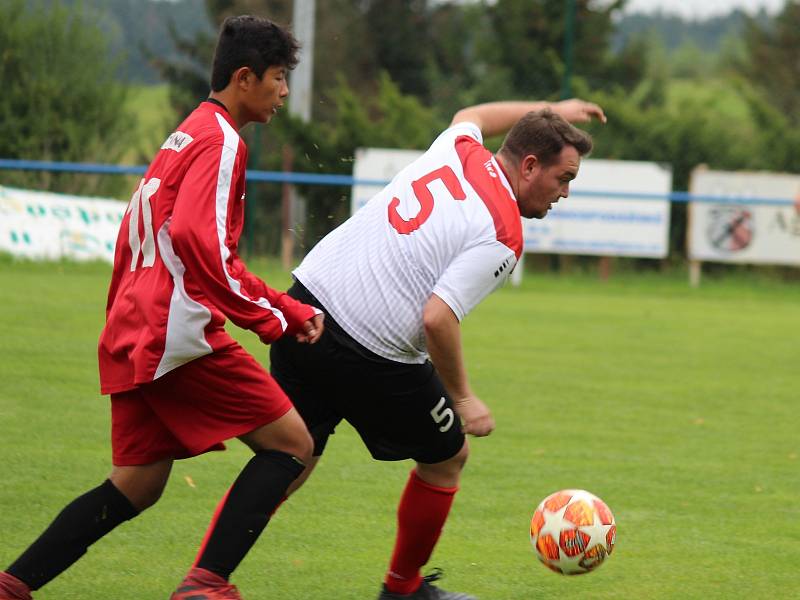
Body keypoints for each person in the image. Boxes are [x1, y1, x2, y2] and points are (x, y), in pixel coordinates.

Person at [0, 15, 323, 600]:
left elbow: (151, 242)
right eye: (278, 77)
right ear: (244, 77)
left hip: (136, 328)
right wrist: (272, 319)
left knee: (137, 484)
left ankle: (11, 586)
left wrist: (280, 305)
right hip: (175, 334)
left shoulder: (188, 132)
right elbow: (203, 244)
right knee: (293, 446)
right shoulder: (223, 141)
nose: (282, 91)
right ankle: (205, 586)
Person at [264, 99, 603, 599]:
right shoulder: (504, 233)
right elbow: (437, 318)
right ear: (530, 166)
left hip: (309, 310)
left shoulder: (459, 147)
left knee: (290, 460)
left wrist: (549, 109)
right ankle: (403, 590)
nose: (566, 193)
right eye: (564, 177)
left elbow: (472, 114)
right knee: (448, 455)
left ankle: (207, 573)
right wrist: (463, 398)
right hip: (372, 349)